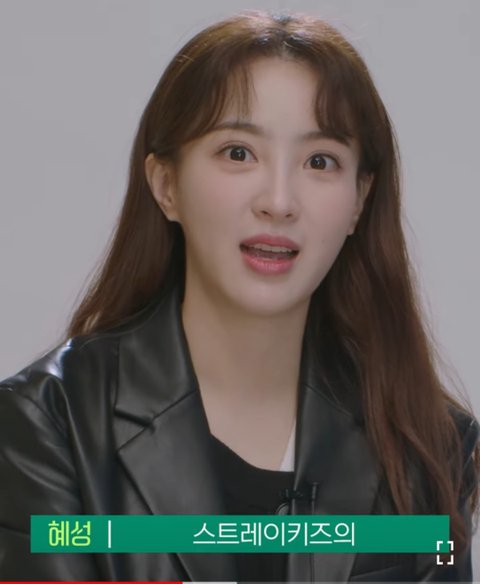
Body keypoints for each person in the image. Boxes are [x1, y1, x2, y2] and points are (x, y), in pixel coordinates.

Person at [0, 9, 478, 582]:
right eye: (238, 153)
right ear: (166, 185)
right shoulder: (49, 425)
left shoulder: (425, 447)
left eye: (319, 161)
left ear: (359, 200)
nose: (278, 201)